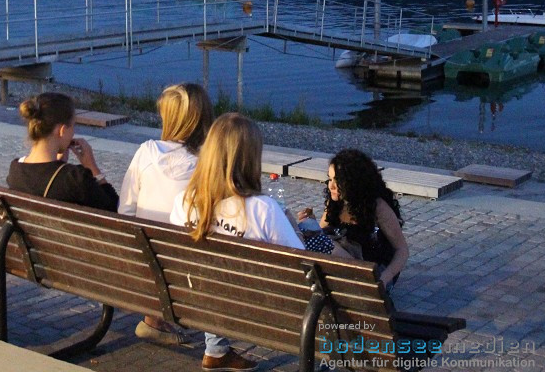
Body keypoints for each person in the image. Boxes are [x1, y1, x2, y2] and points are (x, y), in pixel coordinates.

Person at [171, 113, 302, 372]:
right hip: (260, 311)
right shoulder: (263, 209)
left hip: (196, 299)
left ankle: (216, 349)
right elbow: (301, 264)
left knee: (212, 276)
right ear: (251, 159)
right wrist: (293, 224)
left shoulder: (184, 202)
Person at [119, 82, 213, 346]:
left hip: (144, 265)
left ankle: (153, 319)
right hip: (189, 270)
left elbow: (125, 211)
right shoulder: (209, 163)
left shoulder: (146, 152)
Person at [307, 148, 408, 289]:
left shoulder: (377, 207)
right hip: (344, 265)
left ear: (353, 183)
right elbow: (322, 232)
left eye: (338, 181)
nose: (331, 186)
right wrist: (310, 222)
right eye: (330, 179)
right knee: (309, 237)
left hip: (373, 270)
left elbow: (402, 250)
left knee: (321, 243)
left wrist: (383, 279)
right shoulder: (335, 201)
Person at [6, 92, 118, 211]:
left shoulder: (15, 170)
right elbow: (115, 210)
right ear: (62, 131)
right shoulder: (75, 178)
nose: (73, 133)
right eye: (73, 126)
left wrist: (58, 165)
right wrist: (92, 167)